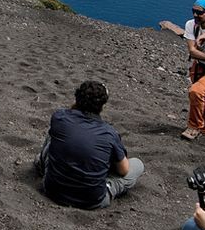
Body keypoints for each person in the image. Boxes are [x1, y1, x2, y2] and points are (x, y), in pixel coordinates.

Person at [34, 79, 143, 209]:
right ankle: (105, 185)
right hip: (91, 200)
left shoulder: (59, 117)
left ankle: (42, 163)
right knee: (137, 164)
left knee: (55, 135)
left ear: (76, 99)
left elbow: (70, 115)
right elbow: (123, 170)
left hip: (52, 190)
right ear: (102, 106)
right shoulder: (109, 133)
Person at [157, 0, 205, 139]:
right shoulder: (191, 25)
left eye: (199, 12)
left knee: (196, 91)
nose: (195, 15)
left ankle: (194, 127)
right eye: (194, 11)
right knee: (200, 96)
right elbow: (192, 51)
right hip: (198, 67)